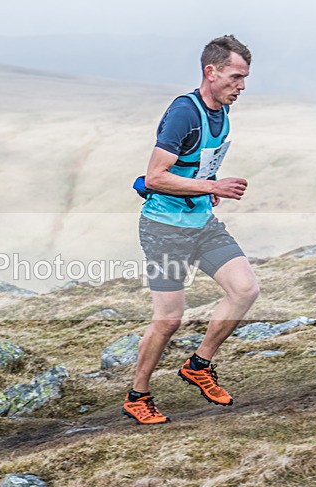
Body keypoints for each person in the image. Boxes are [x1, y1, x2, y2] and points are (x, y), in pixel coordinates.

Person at [124, 35, 260, 424]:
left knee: (245, 289)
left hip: (200, 223)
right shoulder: (184, 112)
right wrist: (213, 186)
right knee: (168, 319)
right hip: (164, 228)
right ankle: (138, 395)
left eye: (245, 78)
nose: (242, 86)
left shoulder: (222, 113)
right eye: (236, 76)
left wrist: (206, 185)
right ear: (211, 72)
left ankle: (198, 365)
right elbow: (154, 176)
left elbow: (194, 166)